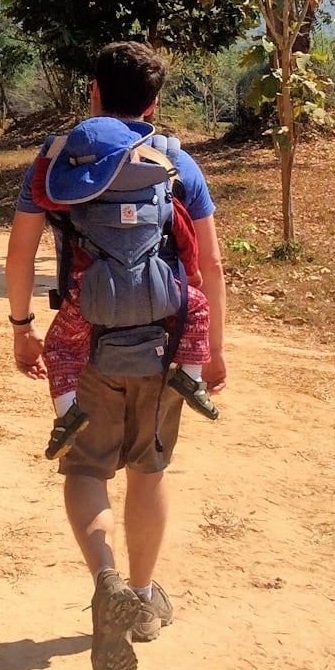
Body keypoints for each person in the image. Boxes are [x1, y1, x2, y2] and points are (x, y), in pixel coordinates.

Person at [4, 40, 228, 670]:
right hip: (165, 341)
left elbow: (19, 256)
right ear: (153, 103)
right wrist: (214, 352)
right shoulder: (177, 161)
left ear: (94, 93)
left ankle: (106, 577)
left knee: (86, 469)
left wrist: (22, 329)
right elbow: (210, 266)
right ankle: (144, 598)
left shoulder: (57, 161)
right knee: (150, 469)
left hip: (89, 338)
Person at [35, 115, 219, 462]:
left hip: (90, 299)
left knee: (61, 349)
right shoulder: (162, 197)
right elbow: (187, 242)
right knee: (197, 307)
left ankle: (67, 414)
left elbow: (40, 194)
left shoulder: (76, 203)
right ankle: (191, 377)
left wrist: (49, 158)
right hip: (159, 293)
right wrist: (189, 279)